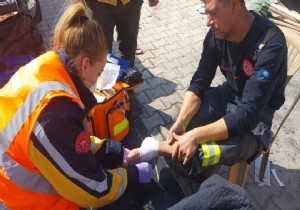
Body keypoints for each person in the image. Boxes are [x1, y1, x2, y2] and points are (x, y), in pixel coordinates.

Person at [0, 3, 153, 210]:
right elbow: (93, 190)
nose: (99, 81)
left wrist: (116, 153)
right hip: (26, 202)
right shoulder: (55, 113)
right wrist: (134, 175)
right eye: (99, 74)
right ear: (84, 65)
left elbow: (71, 142)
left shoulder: (50, 65)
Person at [125, 0, 287, 186]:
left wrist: (195, 136)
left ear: (234, 5)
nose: (207, 22)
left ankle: (166, 155)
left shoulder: (270, 44)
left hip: (257, 119)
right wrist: (182, 121)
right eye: (206, 13)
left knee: (199, 152)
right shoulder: (217, 34)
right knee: (182, 133)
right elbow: (199, 82)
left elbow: (249, 113)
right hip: (228, 95)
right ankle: (187, 169)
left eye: (213, 13)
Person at [87, 0, 159, 68]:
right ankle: (101, 75)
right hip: (99, 4)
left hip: (131, 4)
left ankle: (128, 73)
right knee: (100, 48)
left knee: (129, 44)